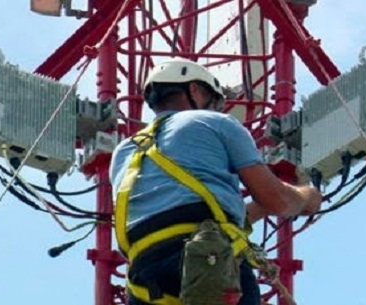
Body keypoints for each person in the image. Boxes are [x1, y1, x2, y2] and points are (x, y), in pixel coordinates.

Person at [109, 58, 322, 305]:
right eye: (214, 102)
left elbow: (176, 215)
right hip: (206, 260)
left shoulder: (124, 151)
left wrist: (257, 209)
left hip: (145, 280)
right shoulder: (213, 123)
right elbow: (278, 200)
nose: (216, 110)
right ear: (195, 90)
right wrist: (307, 197)